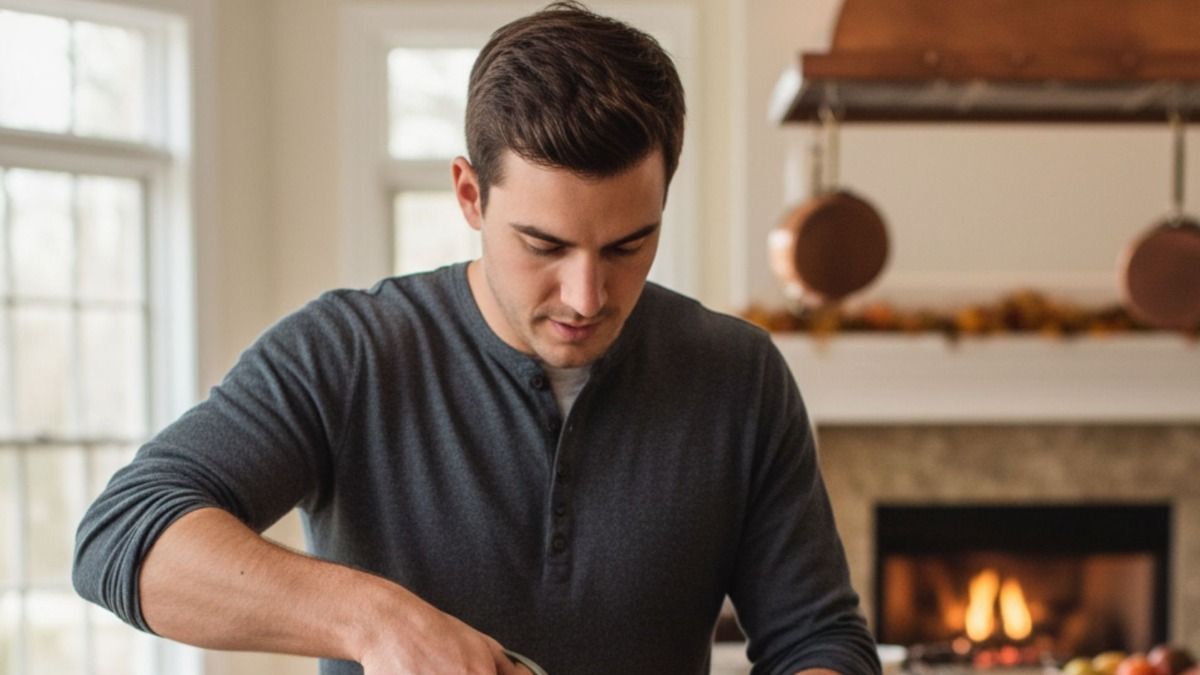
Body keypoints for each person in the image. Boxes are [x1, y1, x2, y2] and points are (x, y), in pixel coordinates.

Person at [72, 3, 881, 674]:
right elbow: (123, 535)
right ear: (469, 194)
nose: (587, 296)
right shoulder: (347, 351)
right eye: (545, 245)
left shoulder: (739, 376)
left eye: (629, 245)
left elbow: (821, 642)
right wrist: (372, 618)